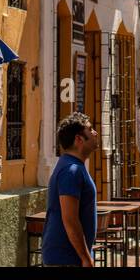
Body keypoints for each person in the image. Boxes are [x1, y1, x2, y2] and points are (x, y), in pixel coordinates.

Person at [41, 112, 99, 267]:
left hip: (70, 257)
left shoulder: (74, 166)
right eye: (90, 129)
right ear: (79, 139)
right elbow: (70, 219)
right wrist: (85, 258)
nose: (95, 133)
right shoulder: (71, 170)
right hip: (65, 258)